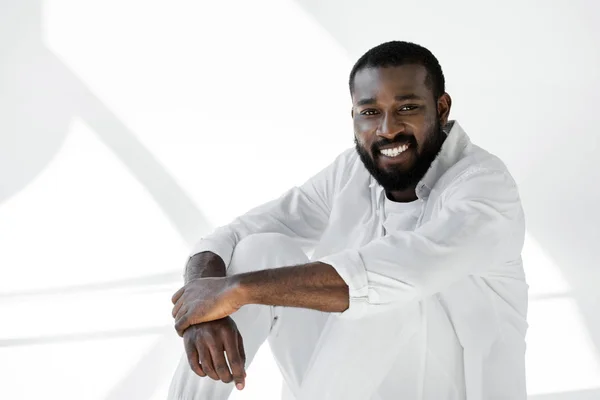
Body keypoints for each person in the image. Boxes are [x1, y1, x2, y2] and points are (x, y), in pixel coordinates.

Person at [167, 40, 528, 400]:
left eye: (407, 107)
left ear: (441, 108)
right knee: (260, 250)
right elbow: (233, 235)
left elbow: (392, 274)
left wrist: (235, 292)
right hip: (343, 385)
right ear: (353, 115)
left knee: (387, 298)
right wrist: (203, 308)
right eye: (370, 112)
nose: (387, 129)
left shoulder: (484, 187)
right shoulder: (353, 171)